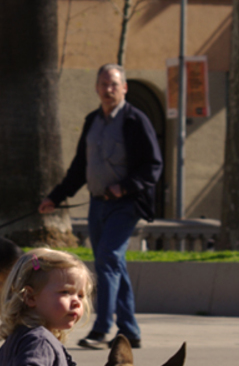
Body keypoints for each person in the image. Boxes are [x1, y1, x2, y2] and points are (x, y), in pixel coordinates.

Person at [39, 64, 163, 349]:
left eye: (114, 85)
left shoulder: (136, 120)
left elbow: (153, 166)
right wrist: (55, 198)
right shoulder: (92, 120)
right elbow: (79, 167)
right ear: (96, 88)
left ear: (124, 88)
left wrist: (126, 186)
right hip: (97, 203)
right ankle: (130, 331)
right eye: (104, 85)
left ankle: (101, 328)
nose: (108, 90)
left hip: (127, 204)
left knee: (107, 258)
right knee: (114, 263)